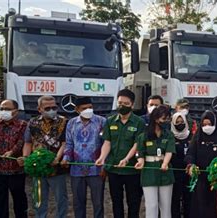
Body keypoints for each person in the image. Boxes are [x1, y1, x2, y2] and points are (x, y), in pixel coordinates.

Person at [95, 89, 145, 218]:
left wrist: (127, 159)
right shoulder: (110, 121)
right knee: (116, 202)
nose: (122, 106)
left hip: (132, 169)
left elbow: (137, 144)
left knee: (133, 202)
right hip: (113, 169)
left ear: (132, 105)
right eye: (120, 103)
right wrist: (102, 157)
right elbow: (107, 142)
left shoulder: (139, 122)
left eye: (125, 103)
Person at [22, 95, 68, 218]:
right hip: (38, 167)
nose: (52, 110)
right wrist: (26, 158)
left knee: (61, 198)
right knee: (39, 198)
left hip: (57, 167)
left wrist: (57, 159)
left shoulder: (64, 121)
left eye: (54, 107)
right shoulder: (32, 122)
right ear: (39, 109)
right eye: (47, 108)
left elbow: (65, 144)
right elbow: (28, 142)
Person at [61, 97, 106, 218]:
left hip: (96, 169)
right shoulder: (71, 123)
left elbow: (106, 144)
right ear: (76, 110)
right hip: (76, 169)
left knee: (98, 202)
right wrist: (66, 158)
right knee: (78, 202)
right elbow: (69, 144)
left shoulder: (101, 121)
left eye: (90, 107)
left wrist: (104, 166)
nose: (88, 110)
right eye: (84, 108)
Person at [129, 105, 176, 218]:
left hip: (165, 171)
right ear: (156, 119)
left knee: (165, 206)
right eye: (164, 119)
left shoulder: (168, 134)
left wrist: (165, 163)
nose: (166, 121)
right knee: (151, 205)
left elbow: (169, 151)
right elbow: (140, 152)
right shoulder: (143, 136)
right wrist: (140, 161)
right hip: (149, 171)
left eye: (168, 119)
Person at [0, 100, 28, 218]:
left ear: (15, 112)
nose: (3, 111)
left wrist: (12, 152)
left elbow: (22, 142)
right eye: (1, 109)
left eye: (7, 109)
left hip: (15, 170)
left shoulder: (23, 125)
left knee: (19, 199)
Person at [170, 112, 192, 218]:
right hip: (175, 173)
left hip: (189, 173)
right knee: (175, 199)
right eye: (177, 122)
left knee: (188, 198)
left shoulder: (191, 136)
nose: (180, 124)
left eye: (182, 121)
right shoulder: (170, 137)